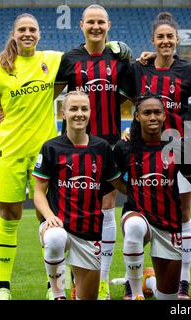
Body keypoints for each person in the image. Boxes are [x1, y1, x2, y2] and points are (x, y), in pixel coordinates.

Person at [120, 11, 191, 300]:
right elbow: (122, 101)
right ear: (153, 40)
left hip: (179, 151)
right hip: (144, 152)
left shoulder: (189, 71)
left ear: (177, 41)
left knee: (182, 213)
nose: (165, 41)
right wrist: (128, 130)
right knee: (140, 215)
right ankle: (132, 282)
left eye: (169, 37)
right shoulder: (139, 69)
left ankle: (183, 282)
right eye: (160, 37)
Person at [54, 3, 132, 300]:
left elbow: (134, 94)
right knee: (74, 212)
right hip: (74, 146)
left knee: (106, 208)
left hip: (109, 142)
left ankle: (101, 278)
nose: (96, 27)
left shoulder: (119, 57)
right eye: (91, 22)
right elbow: (49, 94)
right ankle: (72, 280)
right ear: (82, 26)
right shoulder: (69, 58)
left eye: (101, 22)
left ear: (108, 25)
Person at [0, 13, 63, 300]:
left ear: (40, 34)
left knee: (50, 218)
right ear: (14, 33)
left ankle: (53, 286)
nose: (28, 33)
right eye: (22, 29)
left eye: (32, 29)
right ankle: (3, 287)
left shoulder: (53, 59)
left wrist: (118, 47)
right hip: (9, 151)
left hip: (44, 153)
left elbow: (86, 56)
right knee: (9, 216)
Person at [32, 90, 125, 300]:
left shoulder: (101, 147)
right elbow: (38, 192)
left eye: (84, 108)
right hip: (59, 224)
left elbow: (117, 183)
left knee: (87, 296)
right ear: (63, 113)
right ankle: (58, 294)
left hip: (90, 232)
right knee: (55, 238)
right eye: (73, 109)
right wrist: (49, 216)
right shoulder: (51, 147)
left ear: (91, 112)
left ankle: (75, 289)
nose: (79, 113)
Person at [113, 95, 191, 300]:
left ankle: (149, 281)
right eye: (147, 112)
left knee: (167, 297)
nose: (152, 116)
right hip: (137, 214)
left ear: (164, 116)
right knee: (135, 226)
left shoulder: (178, 149)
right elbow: (109, 180)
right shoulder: (124, 148)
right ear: (136, 116)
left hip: (169, 224)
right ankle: (135, 292)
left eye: (157, 112)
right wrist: (132, 191)